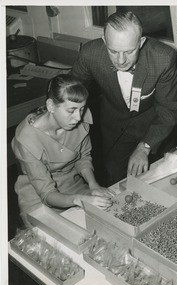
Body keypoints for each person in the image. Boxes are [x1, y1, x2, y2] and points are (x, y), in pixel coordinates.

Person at [71, 11, 177, 187]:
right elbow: (70, 89)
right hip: (113, 125)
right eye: (113, 51)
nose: (121, 60)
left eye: (129, 51)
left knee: (158, 181)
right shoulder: (90, 53)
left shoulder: (163, 59)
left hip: (153, 127)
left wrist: (145, 146)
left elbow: (168, 110)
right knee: (113, 176)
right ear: (104, 41)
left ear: (141, 42)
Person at [11, 74, 114, 227]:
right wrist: (78, 199)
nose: (78, 117)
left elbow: (83, 158)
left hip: (73, 184)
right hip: (37, 194)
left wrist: (93, 185)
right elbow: (47, 194)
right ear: (51, 106)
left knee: (107, 218)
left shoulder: (80, 119)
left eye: (82, 109)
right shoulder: (26, 139)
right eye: (71, 110)